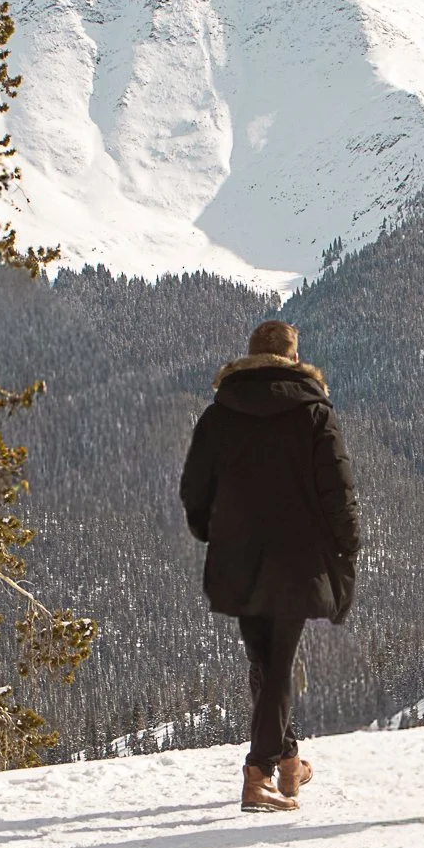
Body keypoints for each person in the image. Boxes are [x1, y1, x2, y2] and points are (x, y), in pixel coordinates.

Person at [181, 320, 361, 812]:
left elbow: (194, 490)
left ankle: (288, 761)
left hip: (238, 553)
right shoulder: (315, 412)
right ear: (292, 357)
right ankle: (258, 773)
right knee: (278, 662)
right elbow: (337, 489)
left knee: (263, 660)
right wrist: (348, 543)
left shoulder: (219, 415)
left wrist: (211, 532)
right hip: (298, 555)